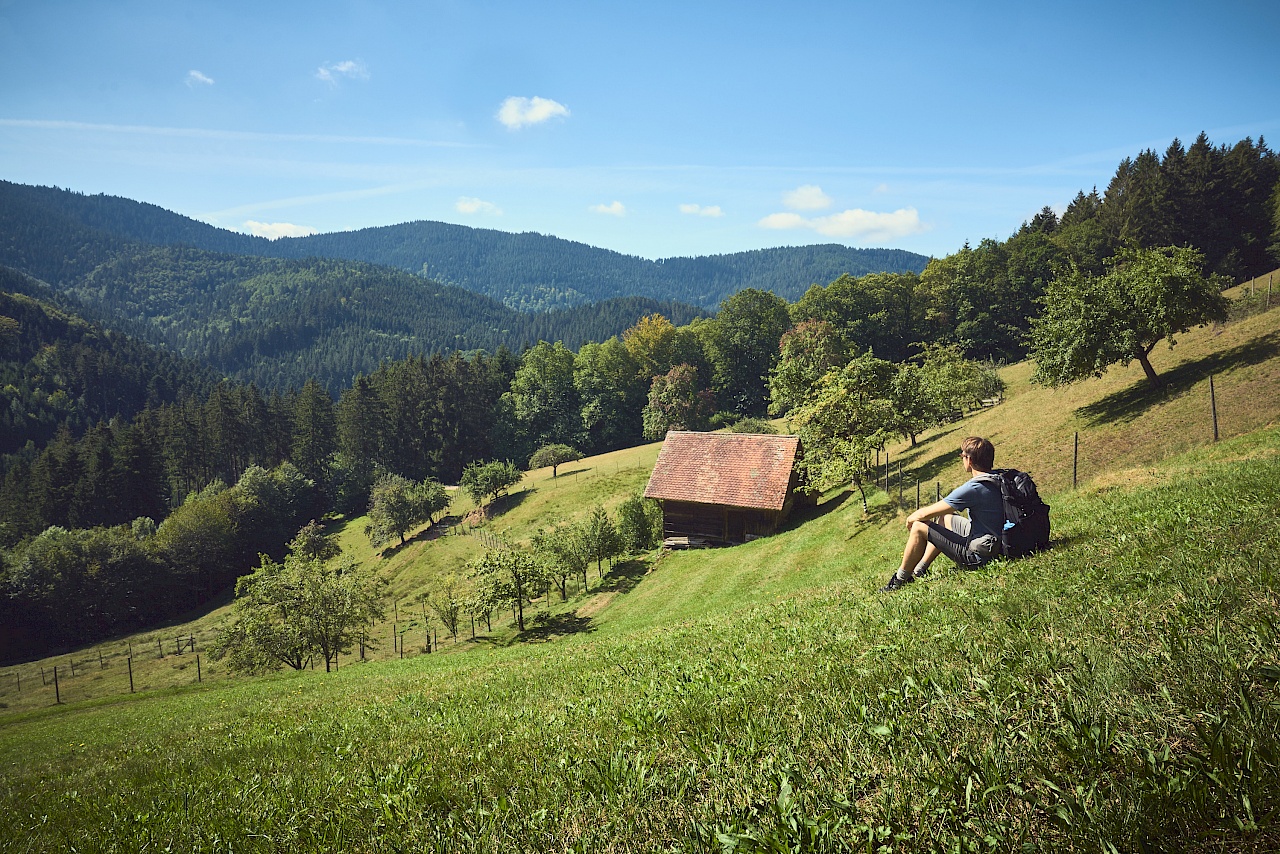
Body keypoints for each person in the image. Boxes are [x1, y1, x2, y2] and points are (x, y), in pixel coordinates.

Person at [881, 436, 1006, 592]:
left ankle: (898, 581)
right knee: (946, 518)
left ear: (970, 460)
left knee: (919, 527)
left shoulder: (973, 488)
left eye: (962, 456)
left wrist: (910, 520)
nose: (962, 459)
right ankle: (919, 570)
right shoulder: (999, 478)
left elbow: (923, 514)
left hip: (982, 555)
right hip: (999, 543)